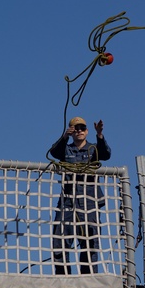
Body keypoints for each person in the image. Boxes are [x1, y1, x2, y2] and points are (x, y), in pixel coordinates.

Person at [47, 116, 111, 274]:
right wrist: (64, 136)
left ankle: (88, 280)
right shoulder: (66, 149)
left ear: (87, 131)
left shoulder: (93, 149)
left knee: (90, 243)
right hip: (68, 201)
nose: (79, 131)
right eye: (76, 129)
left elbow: (106, 154)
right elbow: (54, 152)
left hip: (89, 201)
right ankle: (64, 279)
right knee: (59, 241)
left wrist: (100, 135)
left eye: (82, 128)